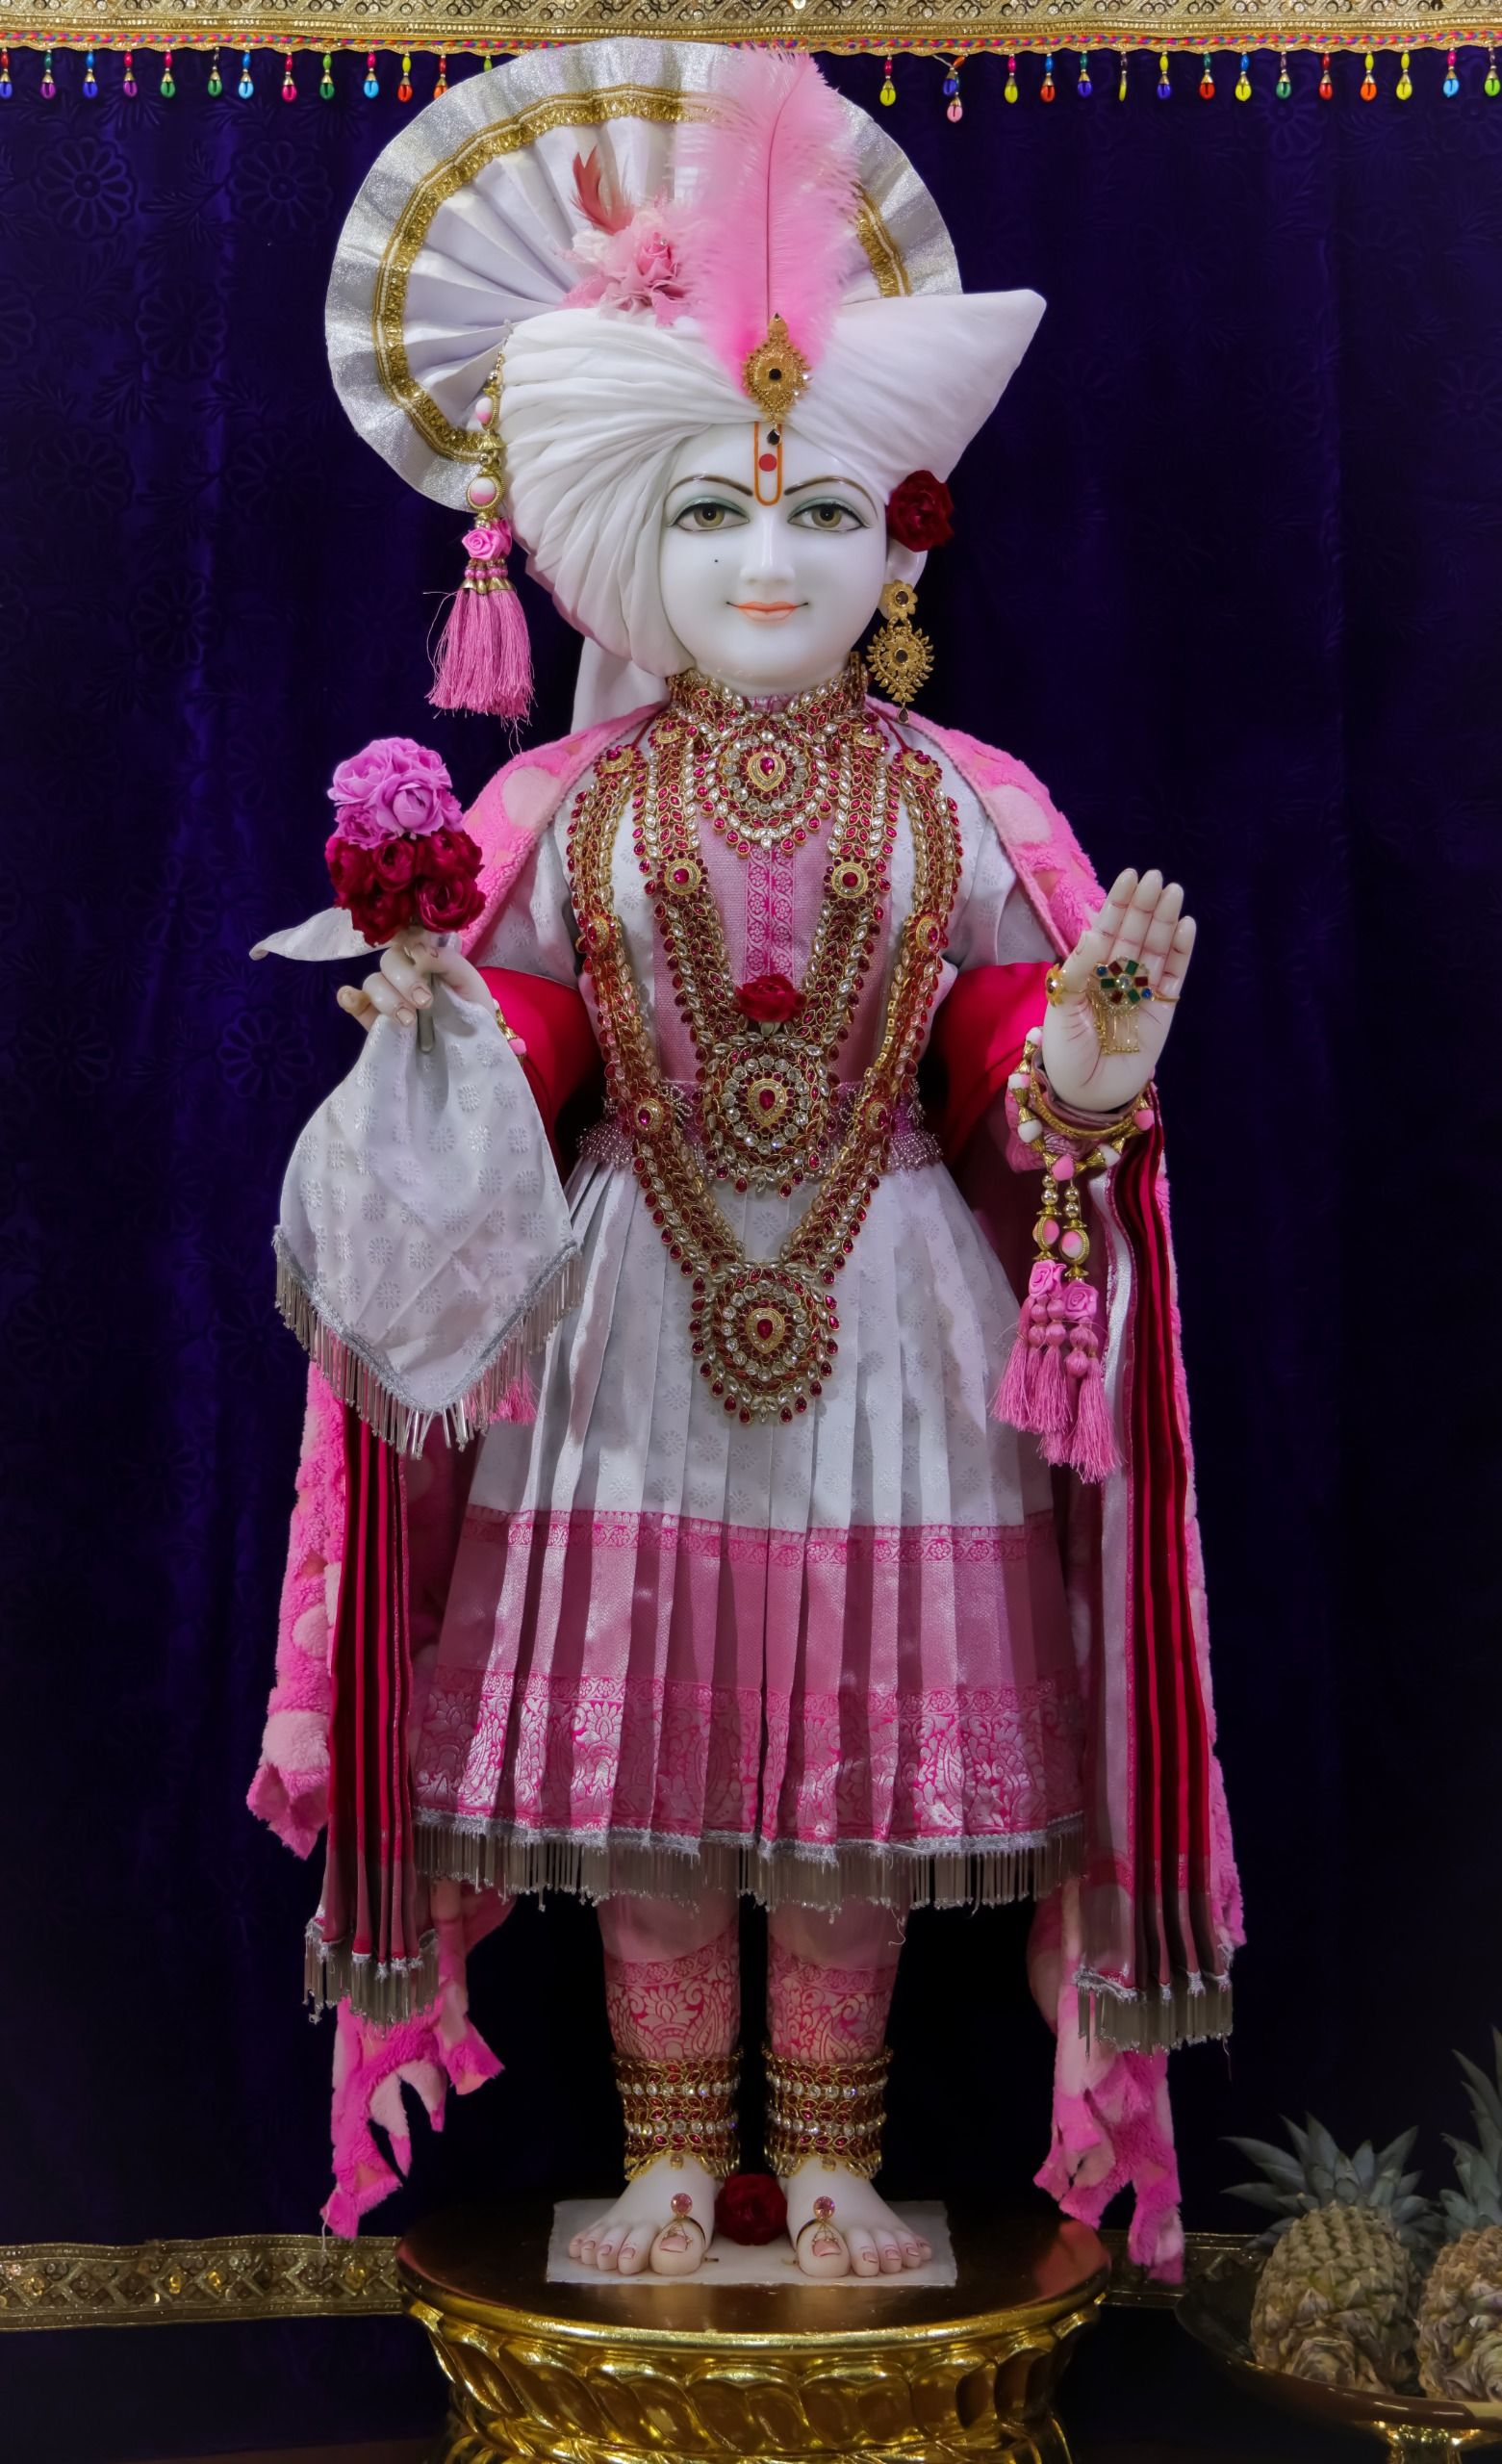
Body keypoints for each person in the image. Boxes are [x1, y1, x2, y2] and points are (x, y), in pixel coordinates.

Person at [251, 38, 1240, 2283]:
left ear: (895, 536)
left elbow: (996, 1061)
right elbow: (531, 1041)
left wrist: (1084, 1061)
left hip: (894, 1313)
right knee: (655, 1777)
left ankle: (841, 2158)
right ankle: (677, 2163)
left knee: (858, 1767)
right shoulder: (559, 804)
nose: (768, 558)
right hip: (627, 1315)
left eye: (813, 509)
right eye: (708, 514)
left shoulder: (968, 797)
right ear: (625, 549)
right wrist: (435, 1040)